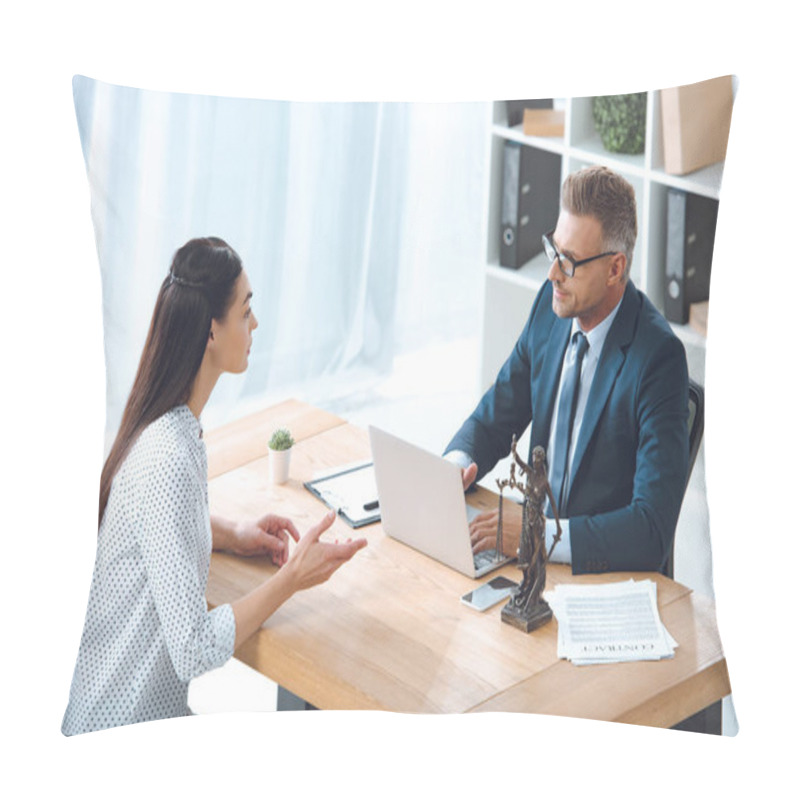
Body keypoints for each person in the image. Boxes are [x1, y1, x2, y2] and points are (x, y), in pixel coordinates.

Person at [62, 237, 366, 735]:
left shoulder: (169, 427)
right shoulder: (169, 456)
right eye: (246, 311)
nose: (255, 325)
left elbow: (156, 522)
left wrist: (231, 532)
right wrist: (292, 579)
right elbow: (193, 649)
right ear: (211, 330)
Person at [445, 166, 689, 575]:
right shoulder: (551, 306)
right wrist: (454, 467)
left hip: (601, 576)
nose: (553, 272)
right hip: (533, 567)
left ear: (615, 268)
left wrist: (536, 535)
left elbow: (651, 529)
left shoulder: (659, 360)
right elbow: (494, 416)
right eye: (553, 250)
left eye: (570, 261)